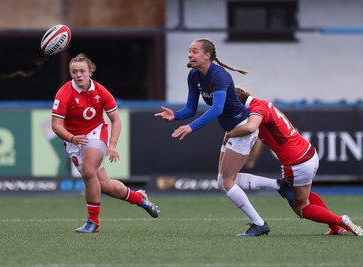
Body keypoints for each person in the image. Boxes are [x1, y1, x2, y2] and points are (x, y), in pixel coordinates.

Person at [155, 38, 270, 237]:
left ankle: (259, 223)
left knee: (227, 183)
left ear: (207, 56)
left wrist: (191, 127)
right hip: (232, 130)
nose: (190, 55)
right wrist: (176, 115)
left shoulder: (219, 76)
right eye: (189, 51)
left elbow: (217, 109)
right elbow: (191, 108)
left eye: (195, 51)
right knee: (222, 182)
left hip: (243, 129)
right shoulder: (194, 76)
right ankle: (278, 185)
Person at [226, 87, 363, 236]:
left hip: (296, 163)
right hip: (308, 153)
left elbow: (251, 127)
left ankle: (339, 221)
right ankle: (336, 227)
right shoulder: (261, 104)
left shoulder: (256, 109)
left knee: (300, 207)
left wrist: (230, 134)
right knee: (305, 194)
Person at [51, 53, 159, 233]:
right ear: (70, 73)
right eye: (74, 71)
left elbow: (115, 120)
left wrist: (112, 144)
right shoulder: (64, 93)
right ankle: (139, 198)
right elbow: (56, 125)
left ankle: (93, 222)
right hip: (74, 140)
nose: (78, 75)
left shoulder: (101, 92)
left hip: (96, 133)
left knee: (87, 171)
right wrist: (71, 138)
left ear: (90, 72)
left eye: (82, 71)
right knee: (105, 186)